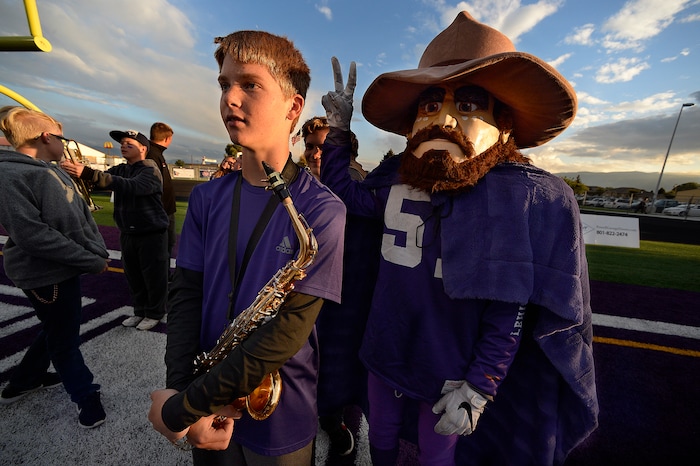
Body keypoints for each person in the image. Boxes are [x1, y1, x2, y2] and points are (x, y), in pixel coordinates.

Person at [320, 11, 598, 466]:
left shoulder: (517, 199)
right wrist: (338, 132)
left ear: (504, 127)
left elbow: (509, 309)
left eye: (468, 104)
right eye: (430, 104)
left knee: (437, 454)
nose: (443, 119)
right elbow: (348, 196)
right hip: (384, 349)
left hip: (449, 364)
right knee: (381, 437)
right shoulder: (396, 182)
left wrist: (481, 384)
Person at [147, 30, 346, 465]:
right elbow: (185, 297)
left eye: (249, 84)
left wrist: (180, 409)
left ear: (294, 107)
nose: (229, 99)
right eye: (224, 84)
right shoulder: (205, 199)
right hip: (205, 402)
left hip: (279, 413)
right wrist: (183, 391)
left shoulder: (325, 210)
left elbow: (287, 334)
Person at [0, 106, 109, 428]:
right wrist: (90, 259)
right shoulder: (12, 175)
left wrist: (94, 251)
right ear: (46, 137)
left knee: (56, 328)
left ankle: (23, 381)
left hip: (61, 268)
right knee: (64, 339)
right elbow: (34, 236)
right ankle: (85, 395)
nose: (64, 143)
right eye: (60, 137)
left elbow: (76, 220)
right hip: (45, 274)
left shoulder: (47, 168)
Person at [300, 116, 379, 459]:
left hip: (341, 299)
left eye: (324, 147)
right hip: (305, 293)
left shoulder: (355, 184)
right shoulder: (297, 183)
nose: (316, 154)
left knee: (333, 372)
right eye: (311, 146)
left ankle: (335, 422)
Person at [62, 129, 169, 332]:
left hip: (151, 232)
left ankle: (154, 313)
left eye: (130, 143)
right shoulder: (121, 168)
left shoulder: (150, 168)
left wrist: (89, 173)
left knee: (153, 277)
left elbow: (133, 187)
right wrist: (77, 172)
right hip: (128, 231)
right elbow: (99, 180)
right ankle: (139, 311)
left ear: (143, 149)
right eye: (123, 142)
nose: (123, 145)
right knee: (134, 276)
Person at [300, 116, 365, 181]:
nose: (315, 155)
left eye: (325, 148)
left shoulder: (350, 182)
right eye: (309, 147)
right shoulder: (303, 182)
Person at [147, 122, 177, 257]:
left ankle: (163, 274)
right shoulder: (153, 154)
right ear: (167, 139)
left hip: (164, 210)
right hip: (161, 212)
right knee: (162, 246)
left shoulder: (154, 153)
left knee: (167, 244)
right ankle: (161, 276)